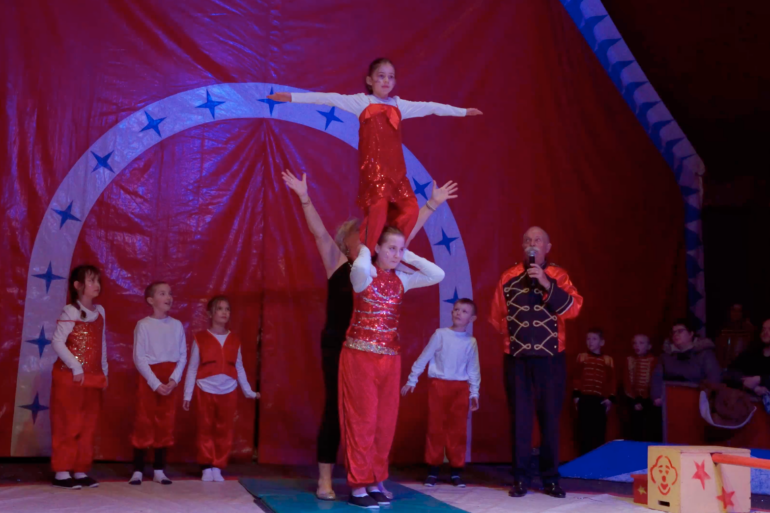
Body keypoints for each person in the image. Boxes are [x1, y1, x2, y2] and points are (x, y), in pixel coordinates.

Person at [281, 169, 457, 500]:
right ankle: (326, 478)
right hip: (340, 344)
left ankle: (371, 476)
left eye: (366, 237)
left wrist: (432, 205)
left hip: (378, 349)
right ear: (349, 242)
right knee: (337, 409)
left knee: (374, 414)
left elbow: (404, 233)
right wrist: (304, 197)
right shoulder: (338, 264)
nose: (362, 241)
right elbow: (318, 233)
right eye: (357, 237)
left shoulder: (386, 271)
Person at [268, 58, 481, 252]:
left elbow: (431, 107)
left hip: (398, 175)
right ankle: (367, 254)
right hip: (374, 174)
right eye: (381, 76)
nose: (386, 81)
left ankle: (392, 248)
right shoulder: (362, 102)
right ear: (370, 80)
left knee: (411, 211)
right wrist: (290, 97)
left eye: (391, 77)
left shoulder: (400, 105)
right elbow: (326, 99)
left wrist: (462, 112)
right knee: (377, 211)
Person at [340, 227, 444, 509]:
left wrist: (406, 252)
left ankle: (375, 479)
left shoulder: (402, 279)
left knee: (384, 424)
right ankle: (358, 484)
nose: (397, 255)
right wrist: (366, 247)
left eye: (401, 250)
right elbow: (362, 265)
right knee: (363, 421)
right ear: (377, 249)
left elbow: (438, 274)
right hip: (360, 356)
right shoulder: (362, 274)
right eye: (391, 249)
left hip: (390, 358)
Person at [489, 226, 583, 499]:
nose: (533, 244)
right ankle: (520, 478)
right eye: (528, 240)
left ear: (547, 247)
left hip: (551, 360)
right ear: (523, 246)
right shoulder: (508, 276)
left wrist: (545, 283)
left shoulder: (559, 275)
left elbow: (575, 308)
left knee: (550, 420)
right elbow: (498, 318)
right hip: (516, 360)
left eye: (538, 240)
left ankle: (550, 479)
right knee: (519, 420)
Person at [401, 298, 481, 488]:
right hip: (439, 385)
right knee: (435, 427)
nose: (458, 313)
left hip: (461, 389)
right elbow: (425, 356)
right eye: (456, 309)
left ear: (472, 318)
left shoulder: (471, 341)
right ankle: (433, 469)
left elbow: (473, 369)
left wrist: (474, 393)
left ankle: (456, 471)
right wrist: (413, 379)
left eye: (464, 311)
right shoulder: (440, 334)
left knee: (458, 430)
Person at [182, 296, 259, 482]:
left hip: (228, 390)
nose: (224, 312)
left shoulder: (234, 339)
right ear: (210, 314)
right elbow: (192, 367)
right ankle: (206, 465)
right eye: (220, 309)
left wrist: (248, 391)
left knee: (224, 429)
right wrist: (188, 394)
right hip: (205, 389)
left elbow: (239, 367)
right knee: (205, 428)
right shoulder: (200, 338)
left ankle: (218, 465)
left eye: (227, 309)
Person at [50, 265, 109, 489]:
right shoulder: (71, 311)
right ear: (78, 286)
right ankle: (62, 471)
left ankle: (81, 470)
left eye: (98, 281)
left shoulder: (100, 312)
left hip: (92, 379)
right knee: (68, 424)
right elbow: (57, 341)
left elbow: (101, 343)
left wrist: (105, 371)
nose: (97, 285)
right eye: (91, 281)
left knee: (88, 425)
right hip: (70, 379)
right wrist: (76, 367)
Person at [129, 281, 187, 485]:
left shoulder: (177, 325)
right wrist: (155, 383)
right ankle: (137, 469)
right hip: (149, 378)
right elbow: (139, 358)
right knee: (144, 420)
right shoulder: (143, 325)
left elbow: (182, 355)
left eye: (170, 293)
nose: (168, 297)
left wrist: (173, 379)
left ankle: (159, 469)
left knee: (166, 422)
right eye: (162, 293)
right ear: (151, 300)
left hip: (169, 378)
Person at [651, 319, 721, 406]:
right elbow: (657, 377)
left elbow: (714, 378)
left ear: (691, 334)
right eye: (673, 332)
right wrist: (657, 396)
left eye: (680, 331)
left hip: (698, 401)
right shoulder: (665, 357)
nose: (675, 335)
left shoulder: (705, 354)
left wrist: (707, 397)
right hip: (671, 400)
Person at [573, 328, 615, 455]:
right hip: (585, 399)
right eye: (588, 339)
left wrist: (610, 398)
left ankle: (596, 463)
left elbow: (612, 379)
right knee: (583, 432)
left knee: (598, 432)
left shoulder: (608, 359)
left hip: (599, 401)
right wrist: (576, 395)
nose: (590, 342)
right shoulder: (582, 357)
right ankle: (582, 462)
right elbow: (576, 376)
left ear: (602, 342)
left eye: (594, 339)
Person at [723, 318, 770, 397]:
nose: (765, 332)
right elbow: (729, 373)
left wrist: (760, 379)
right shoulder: (751, 353)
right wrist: (751, 386)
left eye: (769, 329)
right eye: (763, 329)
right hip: (748, 401)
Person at [623, 334, 657, 441]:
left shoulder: (654, 361)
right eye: (635, 343)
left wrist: (646, 400)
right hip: (633, 401)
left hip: (650, 402)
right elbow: (626, 382)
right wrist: (634, 401)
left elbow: (655, 382)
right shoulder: (629, 360)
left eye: (641, 343)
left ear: (649, 346)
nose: (637, 346)